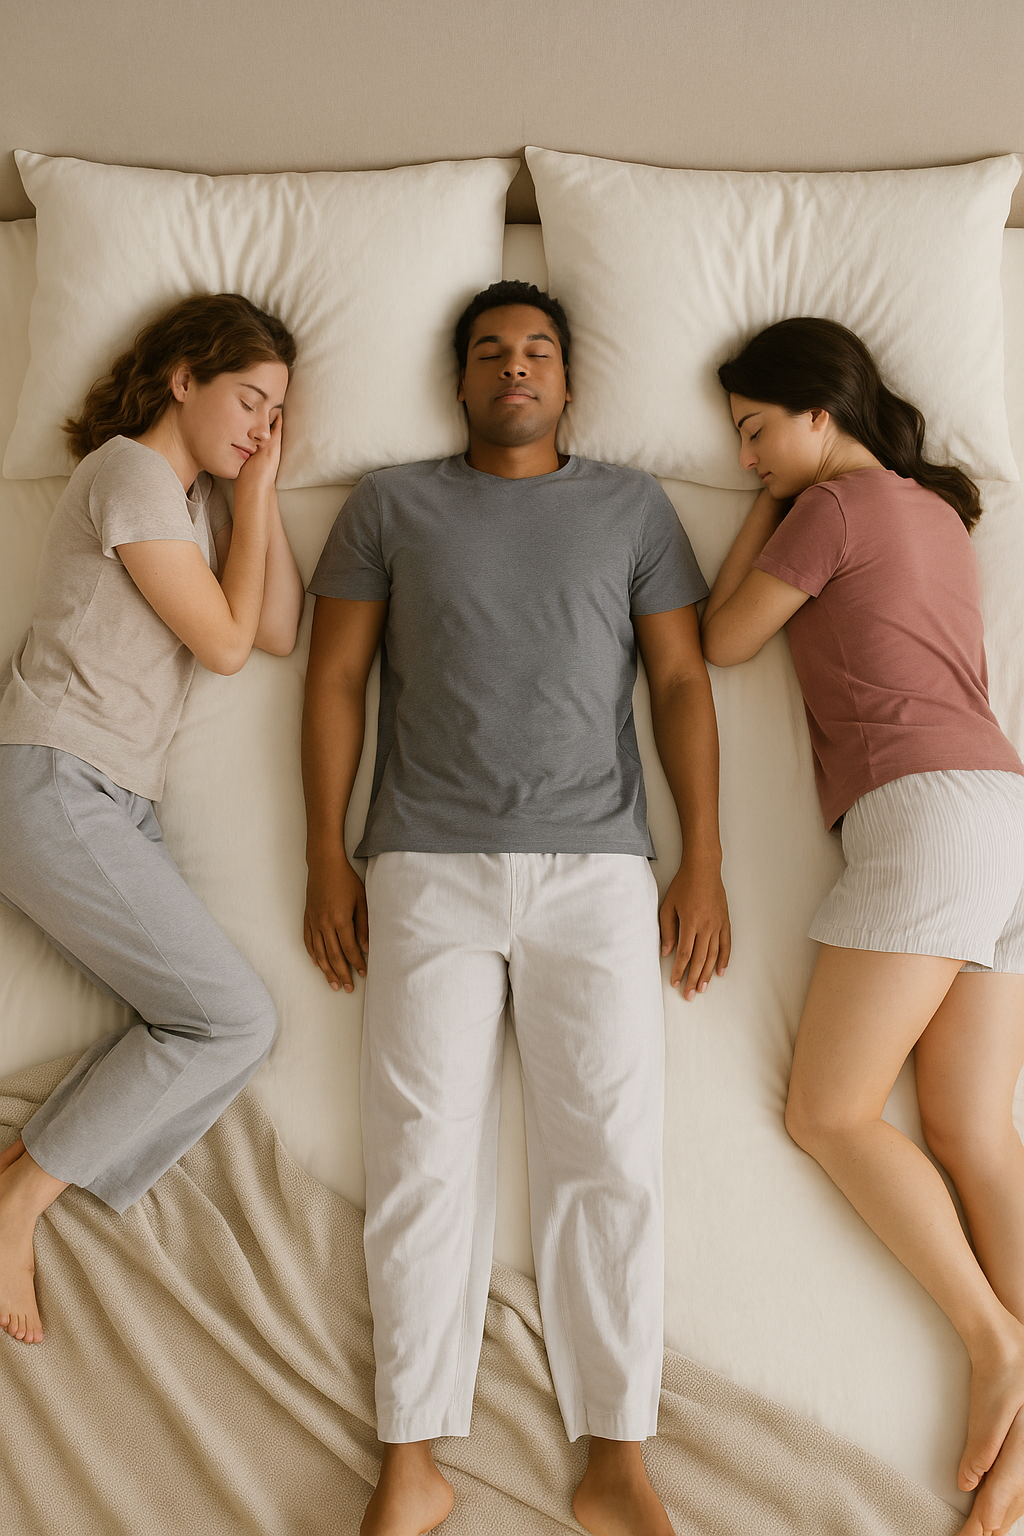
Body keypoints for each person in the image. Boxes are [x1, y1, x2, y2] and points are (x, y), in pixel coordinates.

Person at [302, 279, 730, 1536]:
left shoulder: (632, 506)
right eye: (489, 350)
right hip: (421, 867)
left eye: (537, 349)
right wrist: (326, 857)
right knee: (420, 1164)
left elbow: (684, 683)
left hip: (599, 870)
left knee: (608, 1160)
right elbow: (332, 680)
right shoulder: (390, 504)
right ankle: (410, 1462)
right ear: (461, 380)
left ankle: (615, 1459)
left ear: (569, 379)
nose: (514, 367)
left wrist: (701, 858)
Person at [701, 315, 1024, 1536]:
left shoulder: (830, 508)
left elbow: (723, 640)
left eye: (755, 432)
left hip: (923, 812)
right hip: (1005, 809)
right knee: (969, 1129)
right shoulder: (936, 512)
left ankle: (994, 1337)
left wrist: (767, 516)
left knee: (828, 1112)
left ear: (818, 414)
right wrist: (777, 491)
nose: (745, 459)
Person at [0, 292, 304, 1349]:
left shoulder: (198, 504)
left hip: (113, 799)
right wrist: (245, 490)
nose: (261, 427)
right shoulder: (130, 471)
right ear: (183, 377)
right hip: (52, 776)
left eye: (277, 413)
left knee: (216, 1023)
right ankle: (22, 1199)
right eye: (248, 400)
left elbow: (272, 625)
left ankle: (23, 1176)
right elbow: (224, 646)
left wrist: (258, 487)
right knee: (231, 1019)